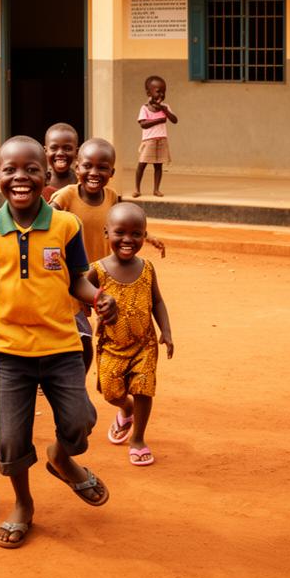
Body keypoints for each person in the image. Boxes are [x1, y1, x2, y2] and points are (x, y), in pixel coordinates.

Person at [0, 136, 118, 550]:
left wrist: (97, 298)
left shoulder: (64, 225)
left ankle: (61, 457)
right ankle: (22, 504)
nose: (22, 178)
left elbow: (76, 280)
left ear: (46, 177)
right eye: (12, 170)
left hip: (61, 345)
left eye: (32, 170)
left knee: (80, 422)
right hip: (11, 349)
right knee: (11, 440)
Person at [88, 202, 174, 467]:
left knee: (144, 390)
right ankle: (125, 409)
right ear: (106, 233)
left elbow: (157, 301)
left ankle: (138, 439)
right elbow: (79, 298)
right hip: (111, 345)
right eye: (120, 233)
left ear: (144, 235)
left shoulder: (147, 268)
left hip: (144, 344)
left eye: (136, 234)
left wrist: (166, 331)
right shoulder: (97, 270)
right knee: (111, 393)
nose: (128, 239)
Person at [50, 137, 120, 373]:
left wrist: (147, 235)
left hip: (99, 278)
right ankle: (71, 381)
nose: (94, 172)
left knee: (103, 330)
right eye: (87, 165)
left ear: (112, 171)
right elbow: (46, 216)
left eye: (102, 167)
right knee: (81, 335)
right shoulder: (66, 195)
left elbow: (122, 223)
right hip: (70, 279)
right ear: (77, 167)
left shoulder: (112, 198)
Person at [134, 76, 178, 198]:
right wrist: (159, 120)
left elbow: (174, 120)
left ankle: (156, 189)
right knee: (142, 164)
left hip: (162, 140)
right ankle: (137, 189)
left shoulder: (165, 107)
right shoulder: (144, 108)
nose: (162, 94)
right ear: (149, 93)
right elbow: (143, 124)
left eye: (164, 91)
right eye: (158, 91)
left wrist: (165, 110)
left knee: (158, 166)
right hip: (149, 141)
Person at [42, 122, 79, 200]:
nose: (60, 153)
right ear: (45, 151)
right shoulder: (41, 183)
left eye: (67, 148)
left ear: (76, 152)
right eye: (54, 148)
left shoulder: (80, 182)